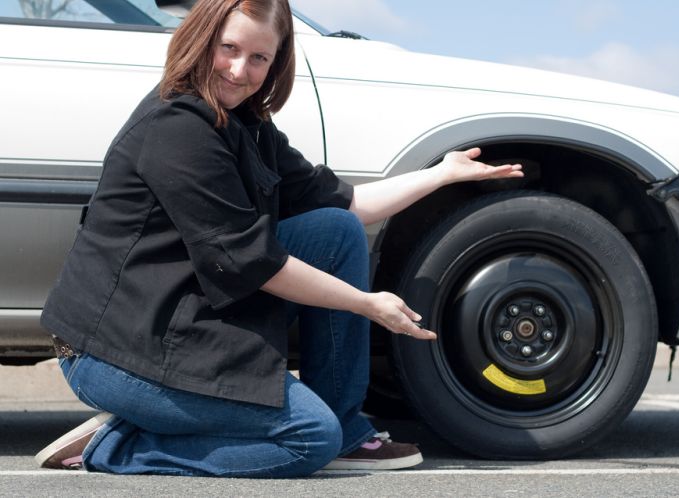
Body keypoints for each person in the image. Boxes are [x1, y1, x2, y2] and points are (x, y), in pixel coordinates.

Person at [35, 0, 523, 478]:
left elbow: (346, 203)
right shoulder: (177, 129)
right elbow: (252, 263)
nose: (237, 69)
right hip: (117, 352)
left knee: (334, 230)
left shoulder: (248, 125)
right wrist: (366, 303)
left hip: (184, 316)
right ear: (201, 38)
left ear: (276, 62)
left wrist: (441, 175)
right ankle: (117, 444)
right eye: (228, 48)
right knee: (308, 439)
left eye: (258, 58)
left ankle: (345, 428)